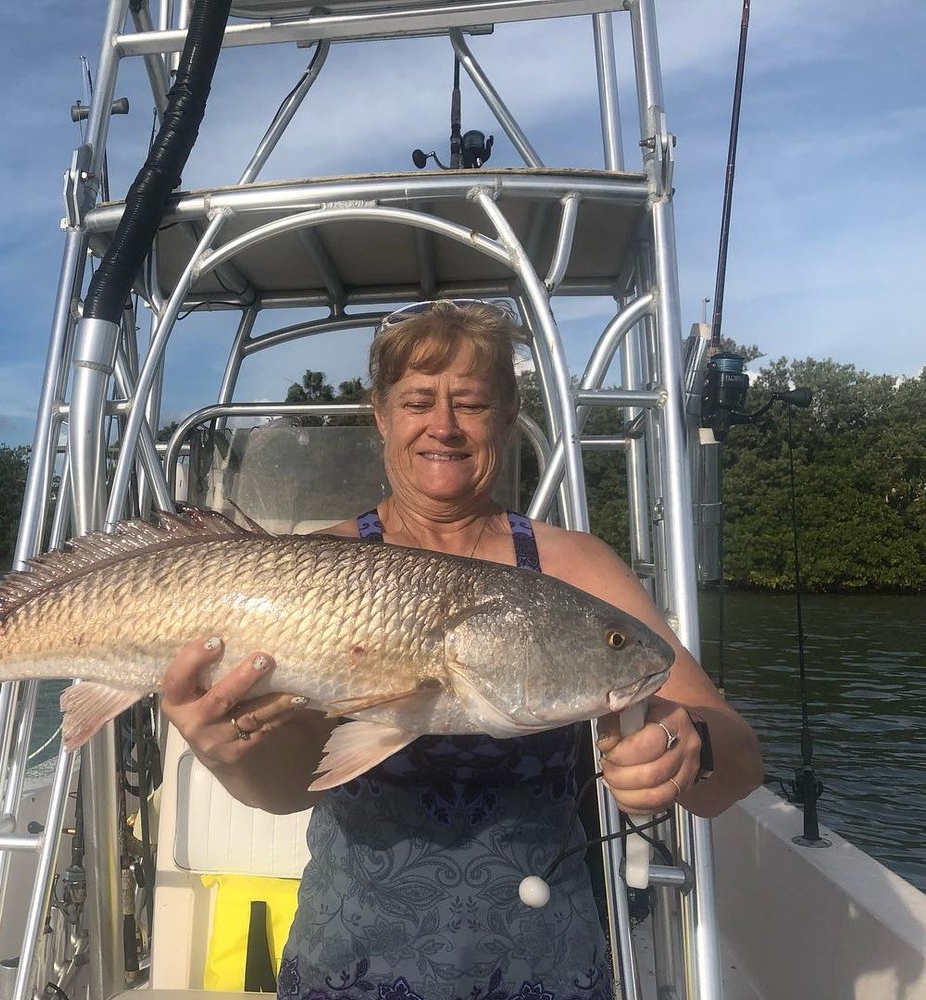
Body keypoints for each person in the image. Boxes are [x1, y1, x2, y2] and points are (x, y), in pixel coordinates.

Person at [160, 300, 763, 1000]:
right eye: (417, 400)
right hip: (350, 962)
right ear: (381, 416)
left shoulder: (574, 568)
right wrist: (226, 749)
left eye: (470, 404)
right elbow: (287, 787)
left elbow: (738, 764)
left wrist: (684, 745)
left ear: (506, 420)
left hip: (546, 966)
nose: (441, 426)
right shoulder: (313, 572)